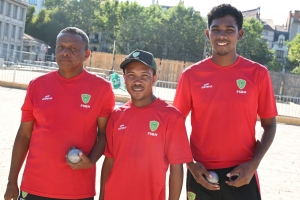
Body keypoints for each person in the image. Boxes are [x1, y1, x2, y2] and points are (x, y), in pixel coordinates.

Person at [173, 4, 278, 200]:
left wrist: (254, 164)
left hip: (243, 173)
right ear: (207, 33)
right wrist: (191, 164)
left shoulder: (258, 74)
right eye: (216, 29)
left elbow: (270, 125)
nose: (222, 35)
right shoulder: (191, 76)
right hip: (202, 174)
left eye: (229, 29)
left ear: (240, 34)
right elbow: (175, 124)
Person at [4, 27, 115, 200]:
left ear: (86, 54)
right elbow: (24, 135)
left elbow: (104, 134)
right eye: (60, 47)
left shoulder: (102, 88)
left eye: (72, 49)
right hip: (34, 186)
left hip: (77, 189)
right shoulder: (37, 85)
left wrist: (91, 160)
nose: (64, 52)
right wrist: (12, 181)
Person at [99, 50, 193, 200]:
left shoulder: (170, 116)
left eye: (144, 75)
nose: (137, 81)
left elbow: (176, 167)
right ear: (124, 78)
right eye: (131, 75)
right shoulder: (117, 115)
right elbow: (109, 160)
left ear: (154, 78)